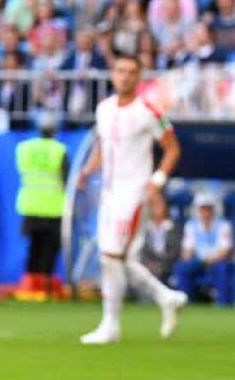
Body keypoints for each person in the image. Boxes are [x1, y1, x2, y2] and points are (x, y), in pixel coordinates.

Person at [75, 53, 186, 344]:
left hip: (133, 192)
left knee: (112, 256)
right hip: (109, 193)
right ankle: (166, 297)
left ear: (139, 77)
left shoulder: (148, 110)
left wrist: (156, 182)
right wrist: (87, 171)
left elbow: (172, 149)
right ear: (113, 74)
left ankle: (111, 325)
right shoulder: (104, 109)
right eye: (120, 70)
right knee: (115, 258)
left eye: (131, 72)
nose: (124, 76)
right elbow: (103, 146)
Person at [15, 114, 67, 300]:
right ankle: (44, 286)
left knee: (34, 247)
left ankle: (31, 286)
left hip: (30, 205)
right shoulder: (58, 150)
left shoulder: (25, 148)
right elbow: (66, 179)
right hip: (54, 207)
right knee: (49, 248)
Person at [173, 194, 234, 305]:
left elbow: (225, 251)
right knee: (182, 268)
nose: (205, 212)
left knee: (222, 267)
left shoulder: (223, 225)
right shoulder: (191, 225)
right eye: (203, 209)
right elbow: (186, 250)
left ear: (213, 210)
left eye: (208, 208)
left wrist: (209, 259)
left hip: (216, 261)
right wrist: (189, 259)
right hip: (198, 262)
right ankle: (186, 302)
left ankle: (222, 303)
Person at [137, 191, 181, 287]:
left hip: (167, 264)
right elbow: (143, 248)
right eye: (155, 205)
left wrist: (161, 262)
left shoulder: (174, 227)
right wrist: (150, 261)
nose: (158, 208)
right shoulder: (146, 226)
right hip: (149, 263)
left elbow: (175, 250)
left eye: (160, 204)